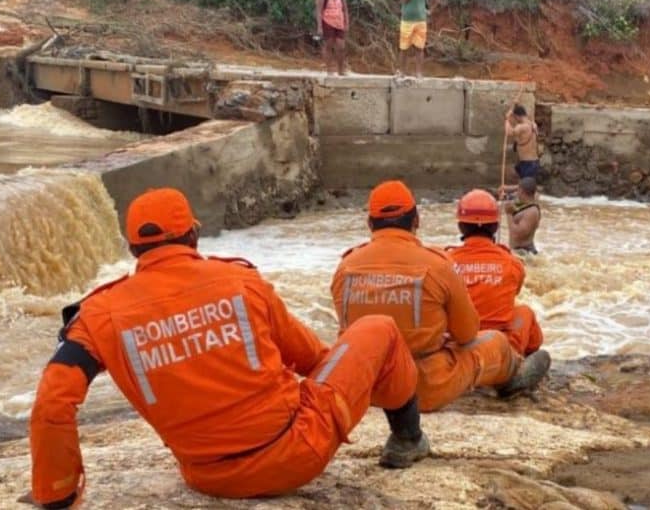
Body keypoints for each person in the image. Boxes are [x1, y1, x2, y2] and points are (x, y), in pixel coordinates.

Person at [26, 188, 428, 507]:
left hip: (206, 476)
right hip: (294, 454)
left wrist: (56, 492)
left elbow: (52, 402)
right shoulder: (240, 282)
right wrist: (356, 381)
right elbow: (311, 359)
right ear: (194, 236)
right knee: (378, 328)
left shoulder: (99, 314)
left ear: (133, 250)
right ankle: (407, 439)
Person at [331, 180, 550, 413]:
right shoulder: (438, 264)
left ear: (369, 223)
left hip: (366, 384)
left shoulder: (345, 266)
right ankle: (511, 377)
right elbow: (466, 333)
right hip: (423, 387)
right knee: (494, 342)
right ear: (416, 220)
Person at [445, 189, 545, 356]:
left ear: (461, 226)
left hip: (457, 349)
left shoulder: (445, 262)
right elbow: (514, 292)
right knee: (524, 312)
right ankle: (520, 363)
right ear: (495, 226)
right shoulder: (512, 263)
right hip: (499, 349)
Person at [397, 0, 442, 78]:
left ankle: (418, 73)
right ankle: (401, 71)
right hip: (406, 21)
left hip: (421, 22)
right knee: (404, 48)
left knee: (419, 48)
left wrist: (430, 11)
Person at [315, 0, 350, 75]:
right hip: (328, 22)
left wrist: (346, 23)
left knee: (341, 46)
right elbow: (318, 12)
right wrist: (319, 27)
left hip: (339, 23)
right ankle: (329, 69)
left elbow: (345, 10)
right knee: (328, 46)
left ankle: (341, 70)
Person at [501, 177, 541, 255]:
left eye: (518, 190)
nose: (516, 193)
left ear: (521, 191)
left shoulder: (532, 211)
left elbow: (517, 234)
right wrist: (505, 197)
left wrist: (509, 214)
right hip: (518, 252)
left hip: (524, 253)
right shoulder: (526, 203)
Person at [505, 104, 539, 181]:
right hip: (532, 161)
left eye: (515, 117)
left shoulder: (522, 127)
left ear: (517, 116)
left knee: (526, 186)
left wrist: (507, 119)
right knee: (519, 176)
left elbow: (509, 132)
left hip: (528, 163)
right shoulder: (533, 124)